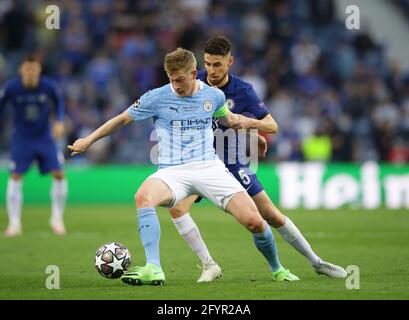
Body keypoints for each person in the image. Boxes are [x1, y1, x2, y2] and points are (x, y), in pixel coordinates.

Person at [68, 48, 297, 286]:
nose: (175, 85)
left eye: (180, 79)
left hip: (209, 167)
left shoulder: (213, 96)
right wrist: (88, 140)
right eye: (171, 79)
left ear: (193, 73)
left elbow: (230, 120)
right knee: (143, 197)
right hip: (172, 171)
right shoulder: (155, 97)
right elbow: (122, 119)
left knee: (255, 222)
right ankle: (153, 268)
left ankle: (277, 269)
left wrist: (254, 135)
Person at [168, 36, 347, 282]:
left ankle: (316, 262)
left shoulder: (243, 90)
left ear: (230, 62)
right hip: (197, 162)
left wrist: (248, 125)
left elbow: (272, 125)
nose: (211, 70)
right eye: (207, 64)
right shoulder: (193, 80)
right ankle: (209, 265)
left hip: (231, 163)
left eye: (217, 64)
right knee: (177, 208)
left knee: (269, 215)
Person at [0, 56, 67, 236]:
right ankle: (14, 224)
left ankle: (57, 219)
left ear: (39, 70)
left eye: (34, 69)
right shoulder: (12, 88)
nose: (30, 73)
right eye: (27, 69)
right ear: (21, 70)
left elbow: (59, 103)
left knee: (59, 173)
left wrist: (59, 121)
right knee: (15, 176)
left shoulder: (49, 86)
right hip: (22, 138)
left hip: (45, 137)